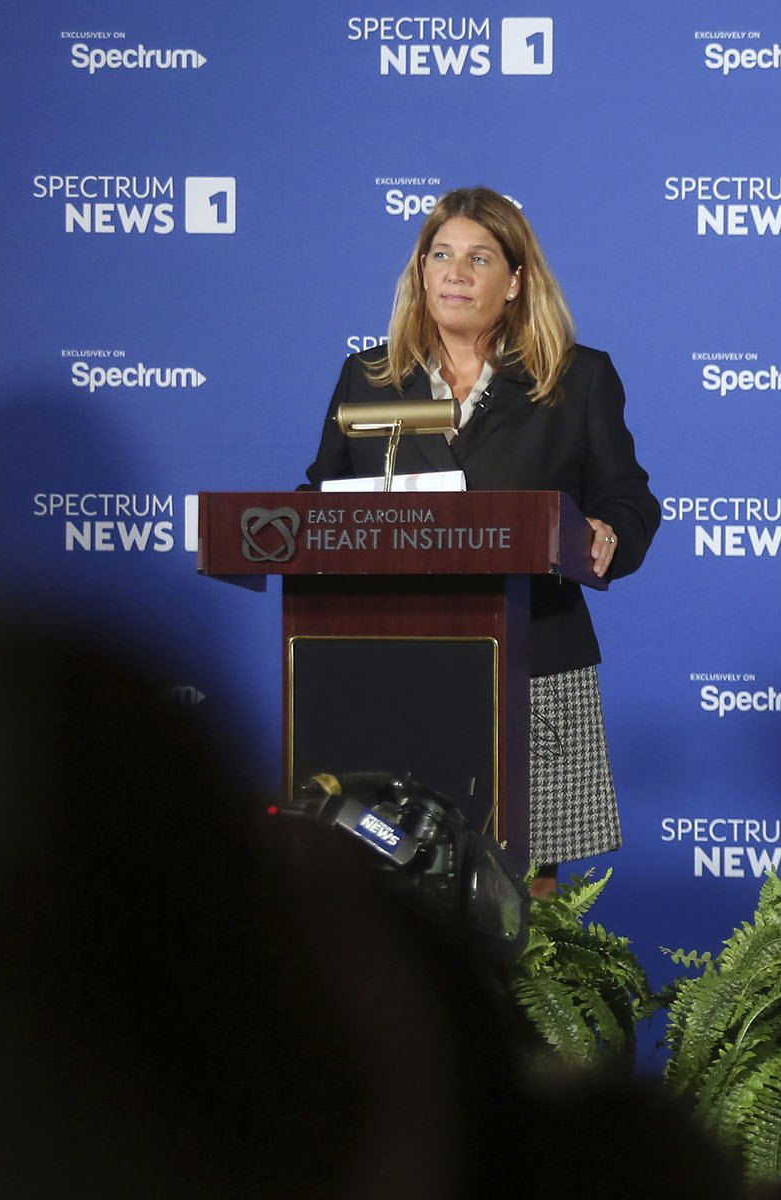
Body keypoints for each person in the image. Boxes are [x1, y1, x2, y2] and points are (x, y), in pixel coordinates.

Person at [306, 187, 661, 896]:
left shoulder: (577, 377)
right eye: (440, 255)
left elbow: (627, 495)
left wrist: (610, 529)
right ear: (420, 271)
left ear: (516, 280)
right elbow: (322, 497)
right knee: (395, 876)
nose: (455, 273)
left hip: (535, 653)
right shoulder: (371, 378)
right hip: (397, 659)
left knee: (525, 893)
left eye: (478, 257)